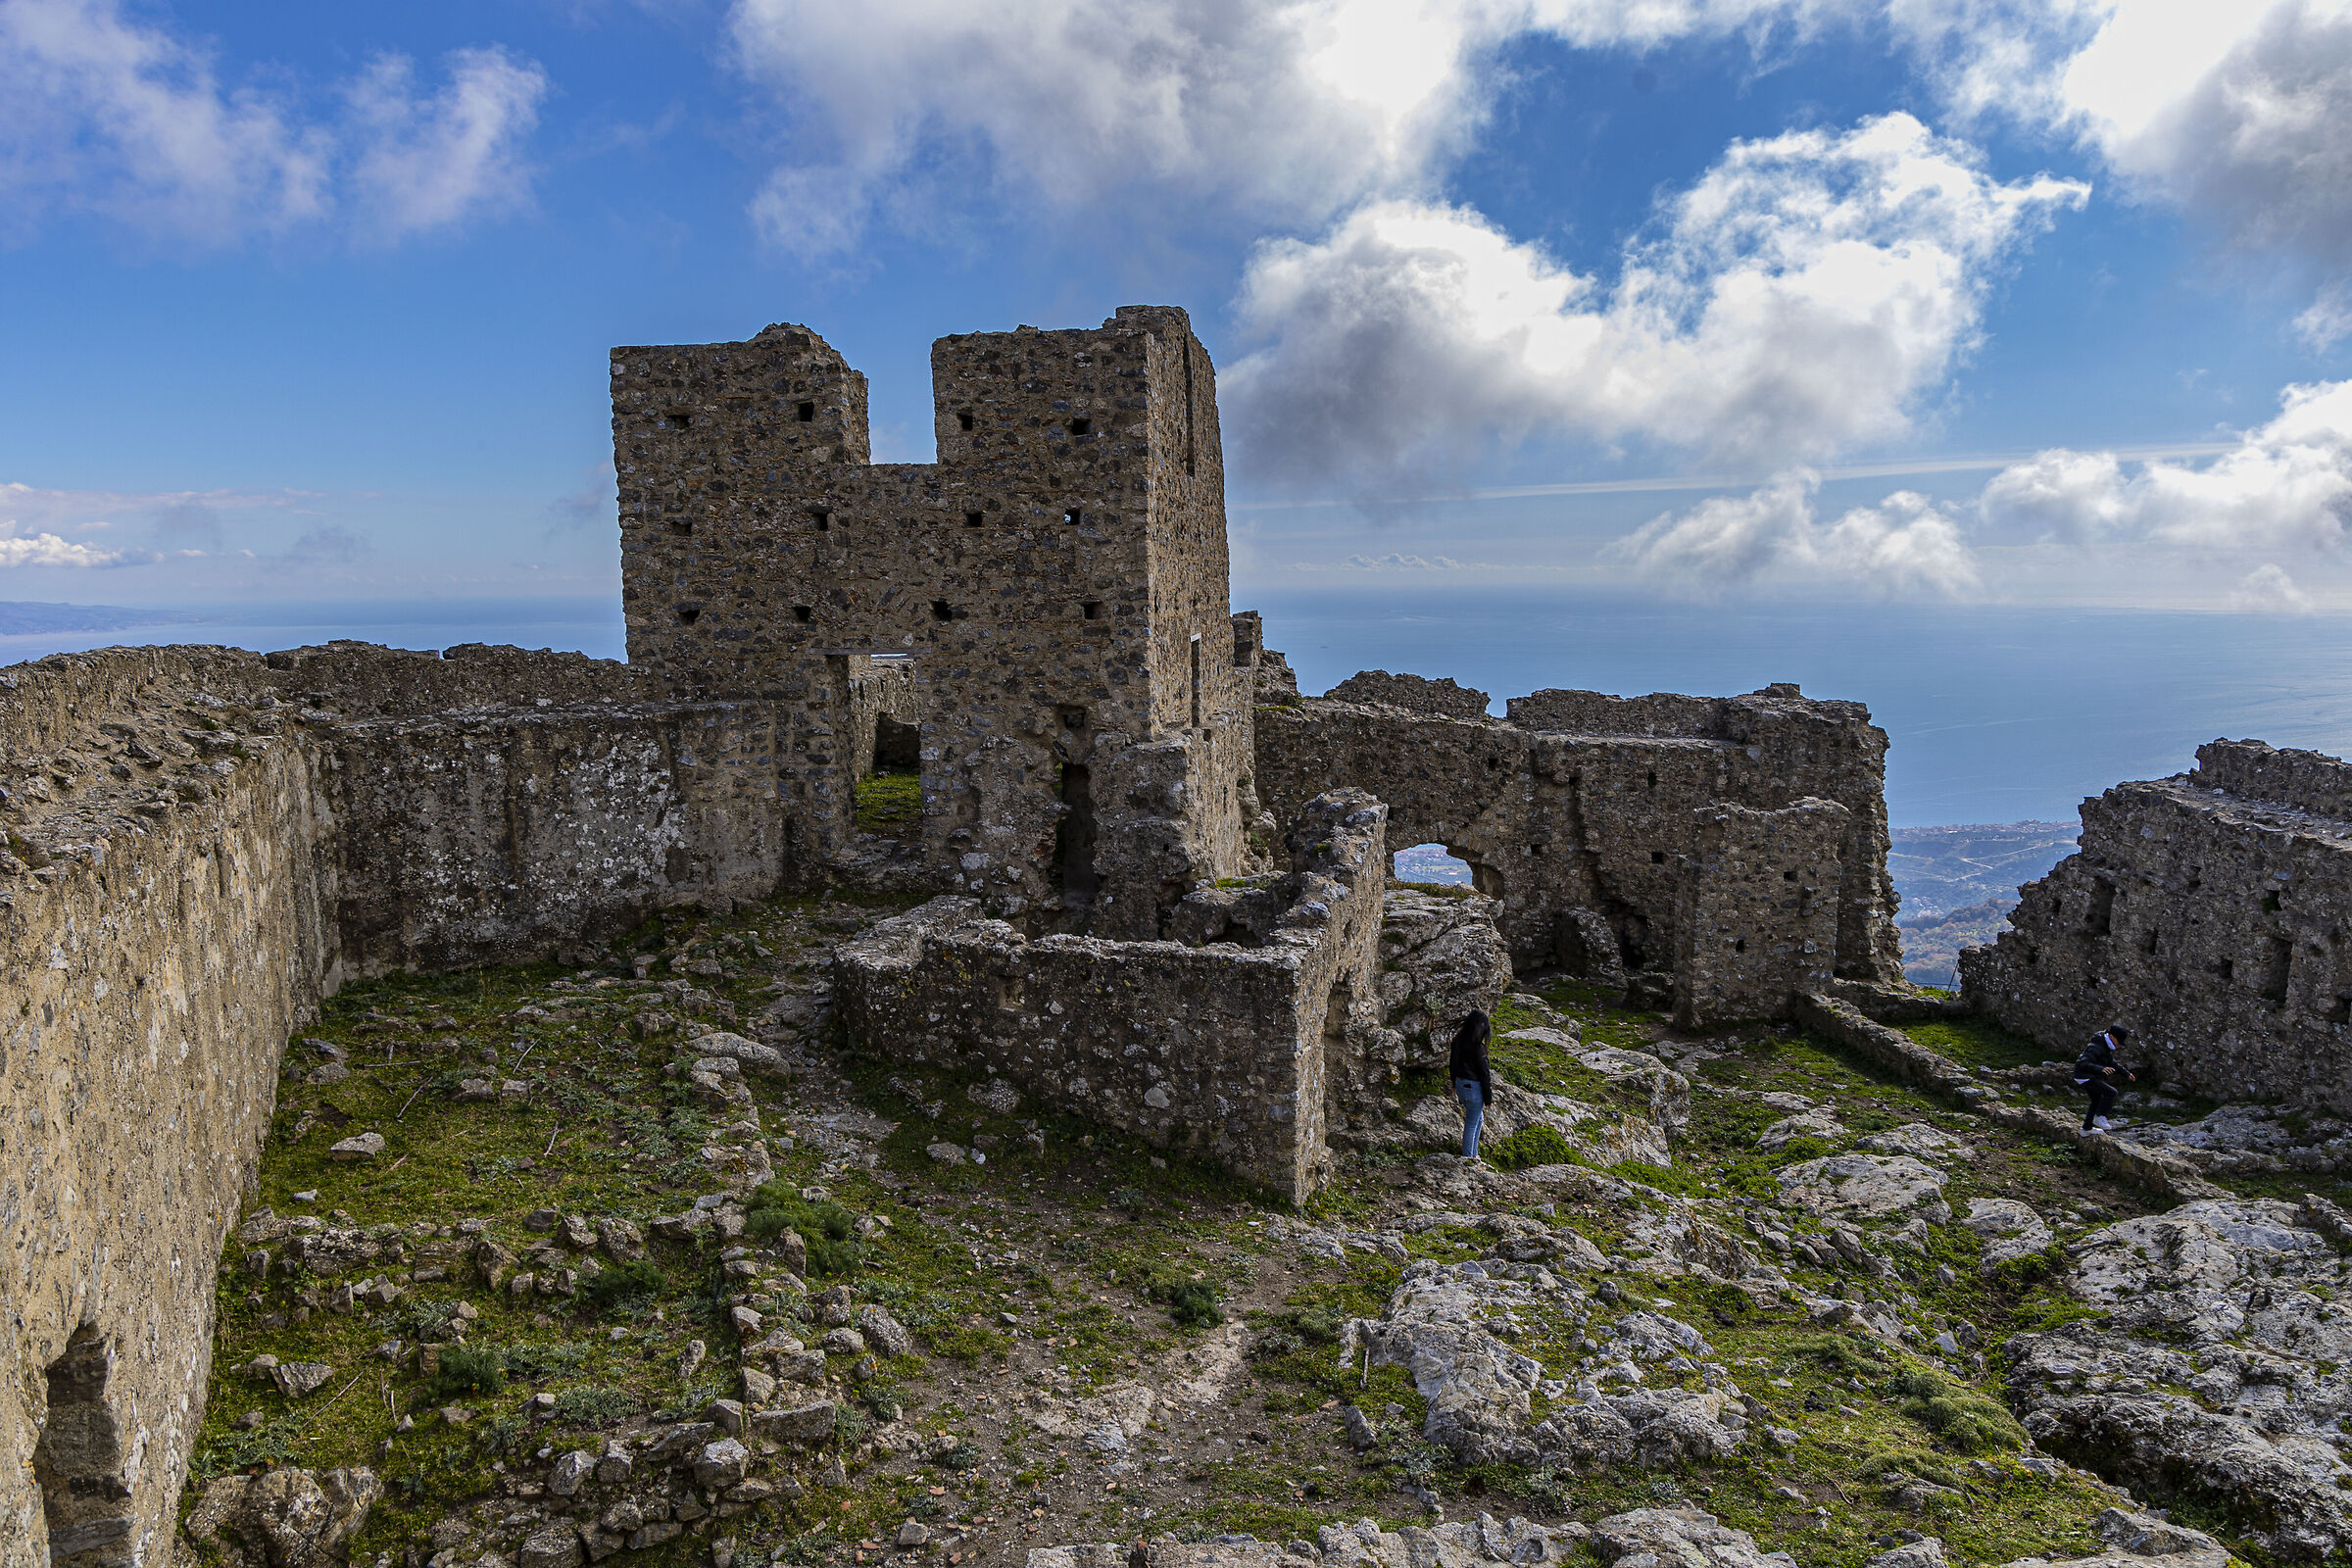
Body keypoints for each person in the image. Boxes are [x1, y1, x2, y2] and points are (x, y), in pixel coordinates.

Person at [1448, 1010, 1494, 1160]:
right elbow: (1484, 1075)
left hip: (1461, 1085)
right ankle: (1468, 1157)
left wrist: (1454, 1082)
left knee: (1478, 1118)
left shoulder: (1458, 1040)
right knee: (1472, 1123)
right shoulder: (1478, 1048)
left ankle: (1474, 1155)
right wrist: (1488, 1098)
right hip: (1474, 1089)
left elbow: (1452, 1063)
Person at [2075, 1025, 2136, 1131]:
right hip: (2084, 1075)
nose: (2118, 1045)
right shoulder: (2096, 1046)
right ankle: (2099, 1117)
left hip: (2088, 1075)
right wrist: (2101, 1069)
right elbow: (2083, 1062)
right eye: (2119, 1041)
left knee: (2096, 1100)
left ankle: (2086, 1129)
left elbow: (2112, 1063)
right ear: (2111, 1036)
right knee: (2111, 1092)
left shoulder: (2104, 1045)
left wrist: (2126, 1073)